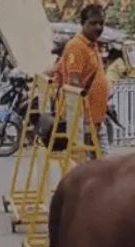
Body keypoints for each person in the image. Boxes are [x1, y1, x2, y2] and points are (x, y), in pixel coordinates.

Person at [55, 3, 109, 158]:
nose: (98, 27)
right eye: (93, 23)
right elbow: (74, 83)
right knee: (91, 165)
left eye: (101, 23)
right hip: (85, 119)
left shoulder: (92, 45)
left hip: (95, 118)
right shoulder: (77, 47)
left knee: (100, 165)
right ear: (83, 24)